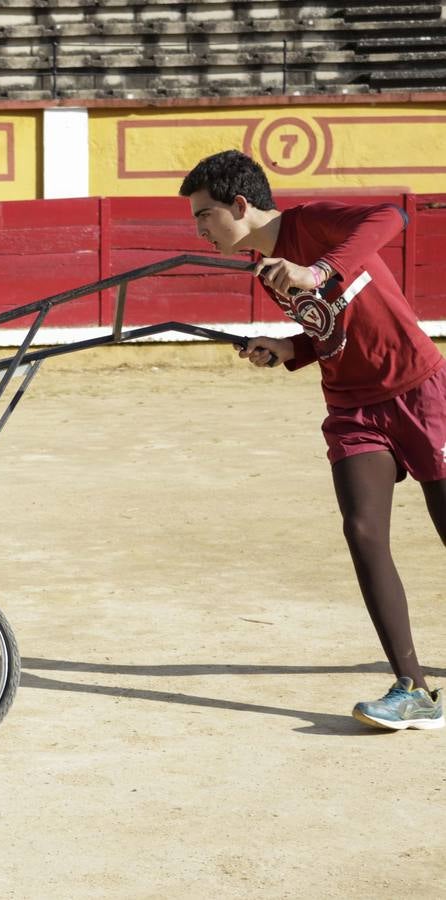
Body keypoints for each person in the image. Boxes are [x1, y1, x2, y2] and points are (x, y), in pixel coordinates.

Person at [180, 149, 445, 730]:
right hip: (352, 407)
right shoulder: (265, 266)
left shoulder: (312, 226)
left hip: (418, 390)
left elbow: (391, 219)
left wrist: (317, 271)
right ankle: (415, 689)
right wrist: (289, 348)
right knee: (363, 530)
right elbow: (329, 329)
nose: (199, 228)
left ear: (240, 205)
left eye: (204, 214)